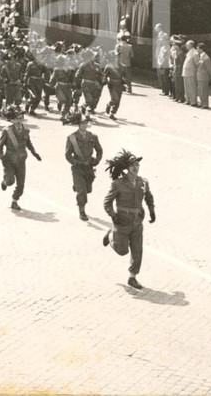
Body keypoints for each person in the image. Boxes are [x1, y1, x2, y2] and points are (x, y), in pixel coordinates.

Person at [102, 149, 155, 290]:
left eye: (137, 164)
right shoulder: (118, 183)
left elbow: (149, 197)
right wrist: (113, 215)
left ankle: (132, 277)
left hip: (137, 221)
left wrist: (152, 211)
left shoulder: (143, 182)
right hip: (122, 221)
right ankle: (110, 235)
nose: (135, 167)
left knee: (137, 251)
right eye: (132, 165)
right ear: (127, 168)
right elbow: (107, 202)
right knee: (122, 251)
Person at [0, 105, 41, 210]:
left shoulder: (26, 130)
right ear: (12, 119)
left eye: (21, 118)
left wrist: (34, 153)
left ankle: (14, 201)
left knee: (21, 185)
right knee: (10, 181)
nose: (19, 121)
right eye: (16, 119)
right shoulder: (7, 131)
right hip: (9, 161)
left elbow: (28, 143)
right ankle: (5, 182)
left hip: (21, 160)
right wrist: (3, 158)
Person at [64, 111, 102, 220]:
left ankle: (78, 187)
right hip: (78, 168)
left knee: (88, 189)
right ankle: (82, 211)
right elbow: (67, 155)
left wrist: (96, 161)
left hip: (89, 167)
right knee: (82, 192)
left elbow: (99, 150)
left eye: (86, 123)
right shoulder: (72, 138)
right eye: (82, 123)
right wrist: (76, 162)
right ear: (78, 124)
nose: (84, 125)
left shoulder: (93, 136)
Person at [181, 39, 199, 107]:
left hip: (191, 72)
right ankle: (188, 100)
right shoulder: (189, 52)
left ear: (191, 45)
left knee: (192, 87)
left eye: (187, 45)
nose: (186, 46)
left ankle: (193, 101)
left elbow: (197, 63)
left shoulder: (195, 53)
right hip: (186, 72)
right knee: (186, 87)